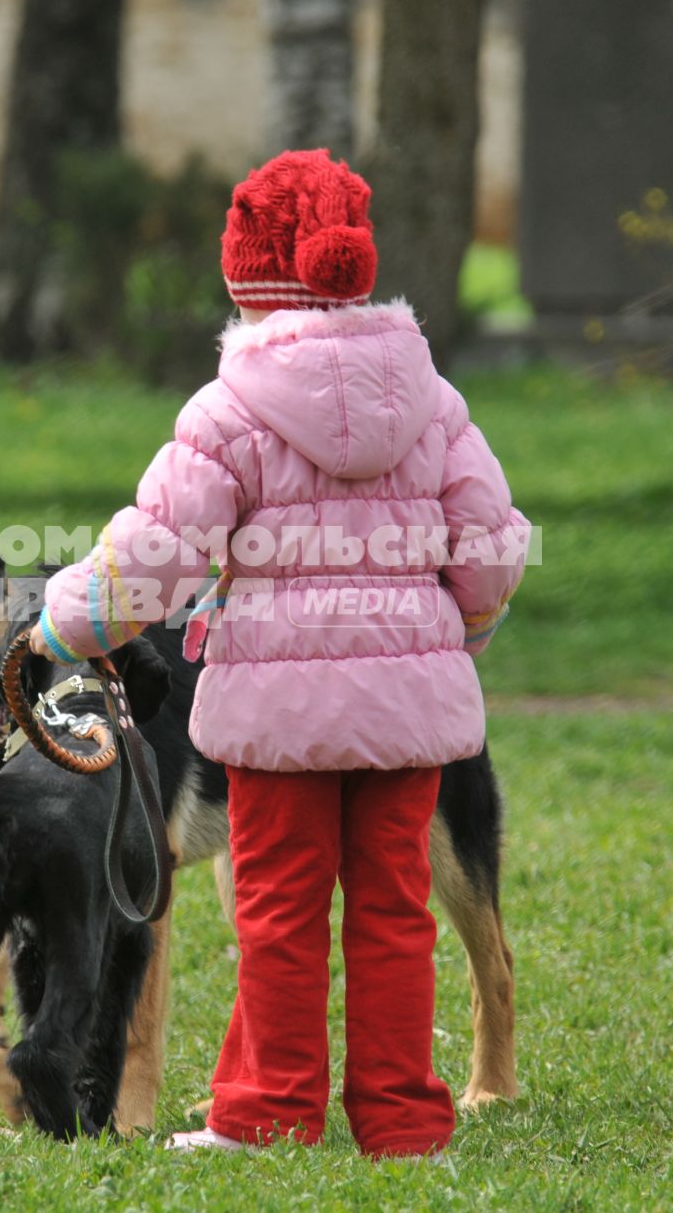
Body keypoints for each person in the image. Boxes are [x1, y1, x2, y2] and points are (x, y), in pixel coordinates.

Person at [28, 148, 530, 1159]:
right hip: (408, 722)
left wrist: (59, 627)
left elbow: (155, 558)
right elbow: (488, 545)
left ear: (247, 282)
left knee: (280, 917)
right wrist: (457, 635)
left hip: (274, 725)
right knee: (394, 915)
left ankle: (267, 1116)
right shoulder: (433, 400)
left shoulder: (230, 412)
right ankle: (404, 1122)